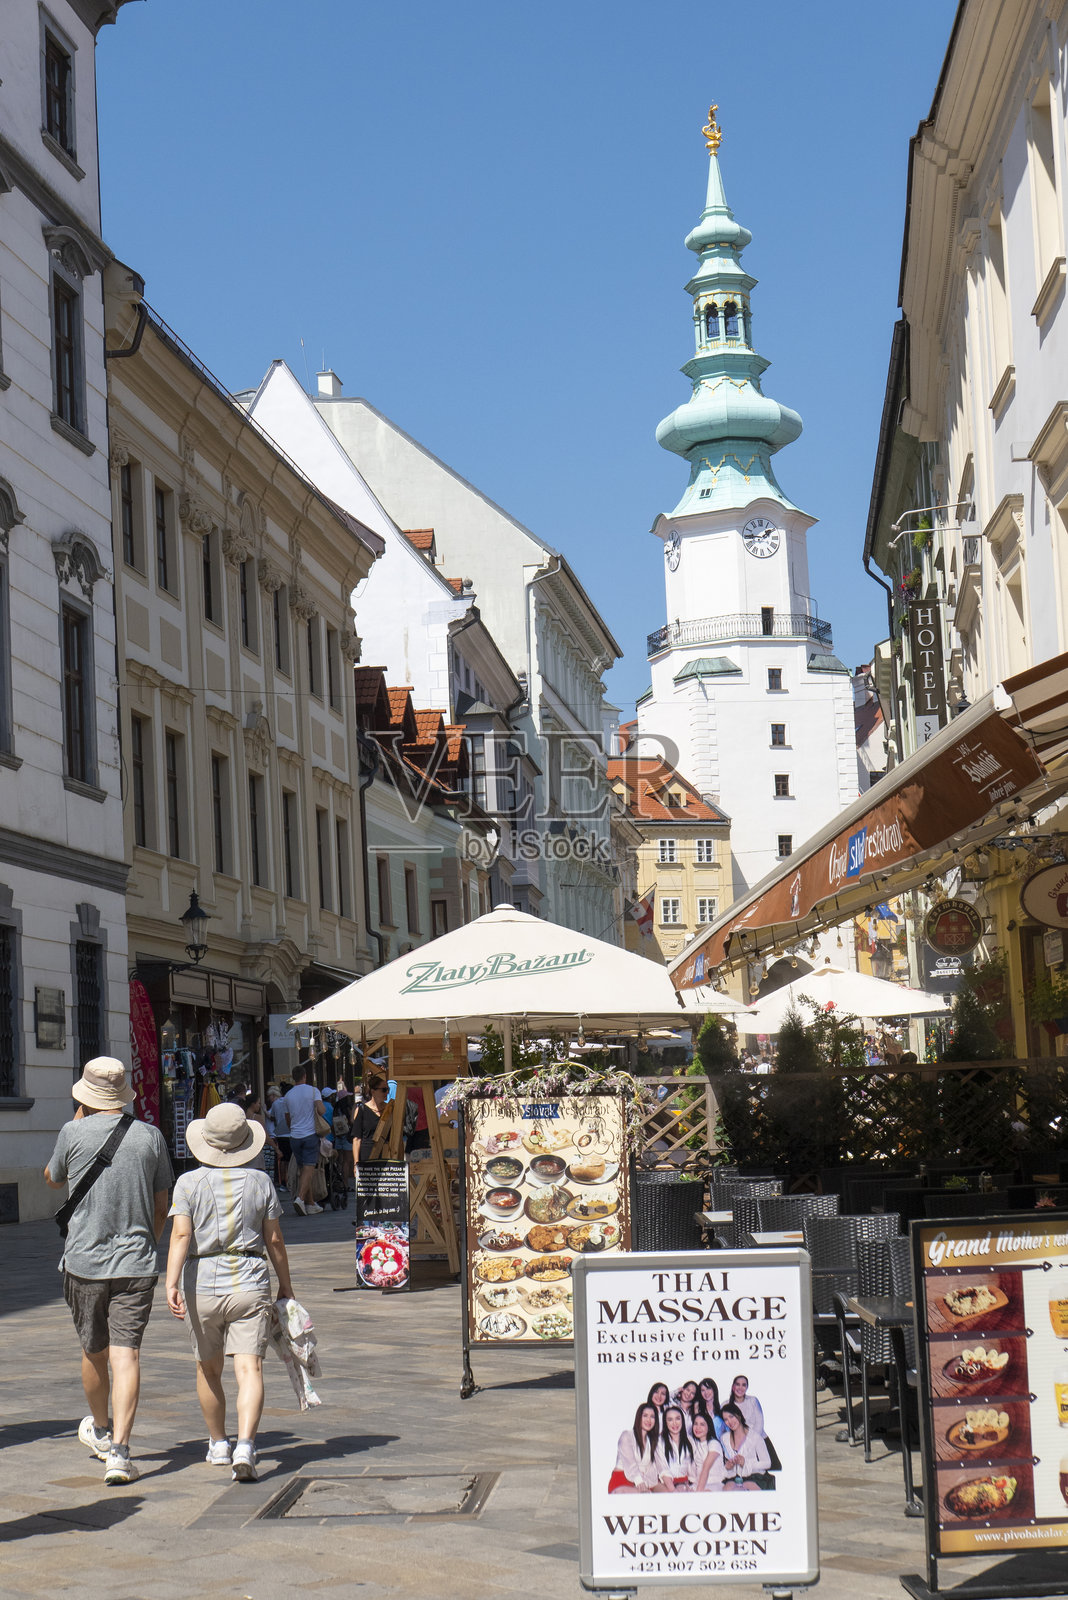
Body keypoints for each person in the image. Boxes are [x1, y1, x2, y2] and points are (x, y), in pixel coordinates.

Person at [44, 1056, 173, 1487]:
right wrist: (147, 1244)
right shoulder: (151, 1136)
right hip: (137, 1262)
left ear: (85, 1095)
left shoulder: (72, 1132)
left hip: (83, 1262)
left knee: (92, 1350)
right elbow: (162, 1206)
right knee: (127, 1354)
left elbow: (53, 1179)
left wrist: (78, 1122)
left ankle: (100, 1430)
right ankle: (120, 1451)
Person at [165, 1102, 294, 1484]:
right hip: (250, 1281)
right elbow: (274, 1239)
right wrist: (285, 1284)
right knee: (248, 1367)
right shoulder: (260, 1182)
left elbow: (181, 1236)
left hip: (201, 1282)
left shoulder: (188, 1183)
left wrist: (170, 1281)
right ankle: (246, 1445)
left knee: (208, 1368)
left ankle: (219, 1442)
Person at [280, 1065, 325, 1216]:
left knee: (303, 1170)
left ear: (293, 1077)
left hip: (294, 1136)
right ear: (305, 1075)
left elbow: (287, 1119)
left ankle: (310, 1204)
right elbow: (321, 1110)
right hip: (310, 1134)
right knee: (309, 1168)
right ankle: (300, 1199)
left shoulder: (288, 1096)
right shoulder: (313, 1091)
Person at [608, 1403, 661, 1492]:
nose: (649, 1420)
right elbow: (631, 1464)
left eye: (652, 1417)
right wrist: (640, 1483)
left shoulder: (652, 1441)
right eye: (645, 1416)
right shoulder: (626, 1436)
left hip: (645, 1481)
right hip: (623, 1480)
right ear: (638, 1417)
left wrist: (647, 1483)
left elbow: (653, 1468)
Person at [720, 1402, 771, 1490]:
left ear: (738, 1415)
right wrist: (727, 1466)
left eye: (731, 1416)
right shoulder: (724, 1438)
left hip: (754, 1476)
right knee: (727, 1489)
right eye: (726, 1419)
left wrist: (746, 1463)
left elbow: (767, 1463)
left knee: (748, 1486)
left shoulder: (755, 1437)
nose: (730, 1422)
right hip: (733, 1477)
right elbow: (722, 1462)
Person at [655, 1405, 694, 1490]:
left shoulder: (690, 1440)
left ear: (682, 1420)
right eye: (670, 1420)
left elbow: (693, 1467)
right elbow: (663, 1469)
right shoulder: (659, 1441)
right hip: (665, 1483)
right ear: (665, 1422)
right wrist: (673, 1491)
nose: (674, 1423)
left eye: (677, 1418)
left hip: (684, 1483)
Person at [353, 1075, 389, 1164]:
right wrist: (356, 1163)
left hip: (387, 1157)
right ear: (373, 1091)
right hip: (367, 1157)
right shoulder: (362, 1110)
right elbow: (357, 1139)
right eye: (384, 1090)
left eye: (388, 1089)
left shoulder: (390, 1110)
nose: (387, 1092)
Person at [690, 1411, 727, 1491]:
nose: (698, 1427)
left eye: (702, 1424)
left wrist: (699, 1491)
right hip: (698, 1483)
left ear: (709, 1427)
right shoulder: (695, 1444)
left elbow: (706, 1468)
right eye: (695, 1424)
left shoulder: (714, 1443)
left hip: (713, 1483)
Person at [696, 1375, 729, 1446]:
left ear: (714, 1389)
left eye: (708, 1388)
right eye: (703, 1390)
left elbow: (729, 1432)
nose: (706, 1393)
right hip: (702, 1447)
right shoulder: (697, 1410)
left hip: (720, 1447)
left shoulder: (722, 1410)